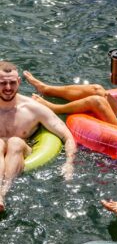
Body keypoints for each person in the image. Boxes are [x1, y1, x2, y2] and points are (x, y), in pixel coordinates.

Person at [0, 60, 76, 211]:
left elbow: (67, 137)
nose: (8, 88)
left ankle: (2, 193)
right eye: (2, 83)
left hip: (22, 150)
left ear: (19, 82)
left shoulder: (33, 109)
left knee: (15, 142)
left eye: (12, 83)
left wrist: (69, 163)